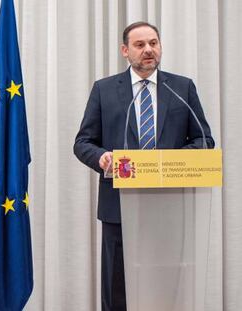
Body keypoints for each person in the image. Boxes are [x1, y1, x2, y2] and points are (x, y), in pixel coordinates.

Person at [73, 21, 214, 311]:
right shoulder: (105, 89)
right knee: (117, 288)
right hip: (118, 208)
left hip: (169, 206)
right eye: (140, 45)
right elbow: (83, 141)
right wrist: (101, 158)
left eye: (153, 43)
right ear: (126, 50)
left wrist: (169, 161)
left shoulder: (181, 87)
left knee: (166, 284)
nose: (148, 50)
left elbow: (203, 139)